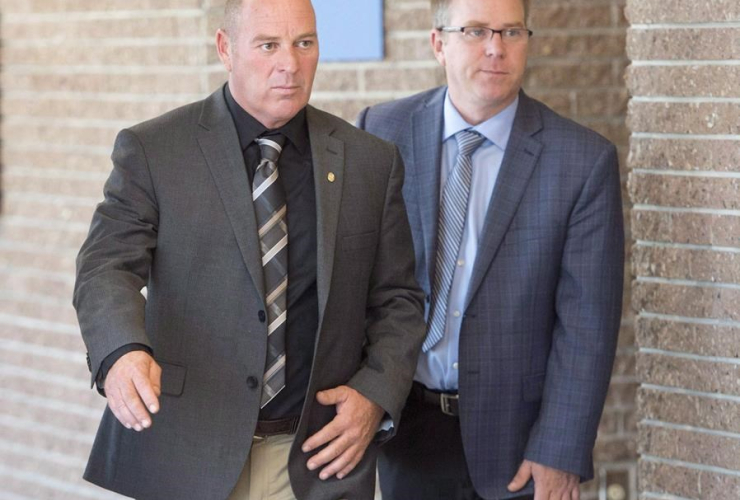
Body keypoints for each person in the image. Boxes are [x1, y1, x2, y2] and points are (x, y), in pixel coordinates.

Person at [73, 0, 426, 498]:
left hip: (316, 458)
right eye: (268, 45)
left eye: (304, 43)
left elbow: (399, 300)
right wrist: (122, 351)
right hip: (188, 450)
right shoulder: (155, 150)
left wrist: (376, 393)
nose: (290, 64)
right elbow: (104, 267)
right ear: (226, 48)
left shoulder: (370, 160)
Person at [357, 0, 624, 498]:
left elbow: (587, 325)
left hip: (520, 446)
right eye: (476, 31)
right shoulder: (381, 133)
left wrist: (560, 449)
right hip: (406, 431)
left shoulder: (582, 161)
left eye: (511, 33)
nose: (496, 49)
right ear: (439, 43)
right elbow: (357, 283)